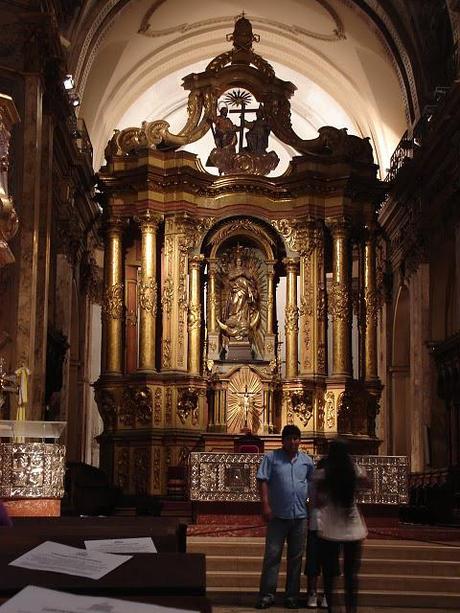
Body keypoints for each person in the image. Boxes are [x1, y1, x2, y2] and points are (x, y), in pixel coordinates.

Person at [255, 425, 314, 609]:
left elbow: (311, 484)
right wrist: (265, 504)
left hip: (300, 516)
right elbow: (263, 480)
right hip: (278, 515)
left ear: (300, 440)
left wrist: (310, 503)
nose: (293, 442)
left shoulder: (306, 461)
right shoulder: (271, 458)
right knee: (272, 555)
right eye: (289, 439)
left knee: (296, 558)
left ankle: (291, 595)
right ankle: (267, 595)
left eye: (296, 438)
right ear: (283, 440)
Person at [315, 439, 369, 613]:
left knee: (329, 575)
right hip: (352, 527)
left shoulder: (325, 472)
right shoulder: (354, 469)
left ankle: (331, 607)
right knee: (351, 575)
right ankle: (351, 609)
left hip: (331, 526)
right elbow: (367, 484)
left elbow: (318, 499)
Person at [304, 457, 336, 609]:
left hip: (332, 528)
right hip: (314, 527)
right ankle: (312, 593)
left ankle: (326, 594)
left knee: (329, 565)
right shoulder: (312, 484)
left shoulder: (334, 486)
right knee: (313, 564)